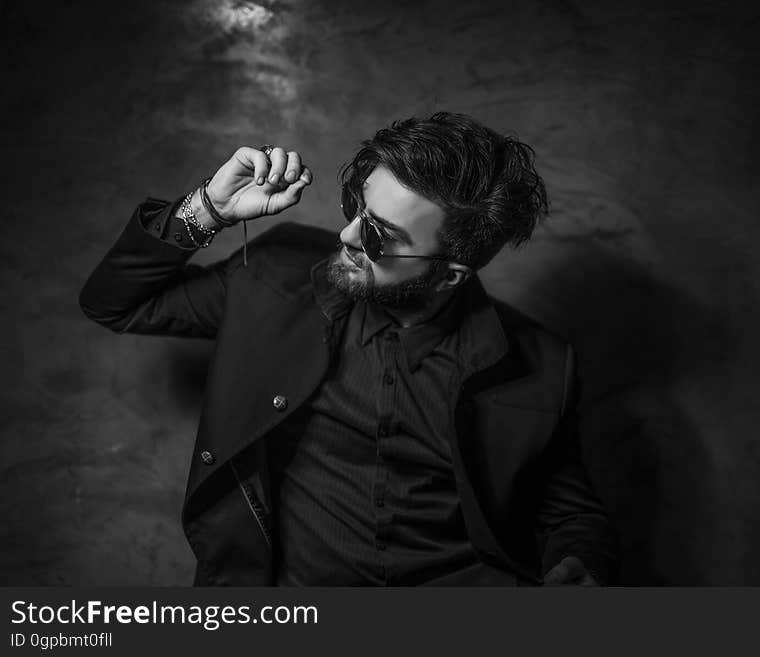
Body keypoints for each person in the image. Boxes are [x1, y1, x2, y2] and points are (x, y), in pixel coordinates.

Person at [79, 112, 619, 586]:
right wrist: (209, 210)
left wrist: (583, 562)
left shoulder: (541, 365)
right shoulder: (273, 275)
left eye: (380, 237)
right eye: (353, 206)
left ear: (449, 275)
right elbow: (115, 304)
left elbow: (566, 510)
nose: (348, 236)